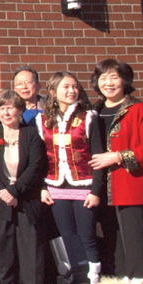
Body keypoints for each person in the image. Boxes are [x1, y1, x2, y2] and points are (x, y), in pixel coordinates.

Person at [36, 71, 104, 284]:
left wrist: (96, 192)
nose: (72, 91)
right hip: (56, 186)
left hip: (84, 185)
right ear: (54, 92)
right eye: (66, 87)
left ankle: (94, 278)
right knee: (67, 236)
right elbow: (39, 160)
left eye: (75, 87)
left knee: (87, 236)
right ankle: (75, 277)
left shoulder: (88, 117)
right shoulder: (43, 120)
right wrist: (42, 188)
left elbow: (98, 156)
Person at [0, 90, 47, 284]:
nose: (6, 112)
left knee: (31, 257)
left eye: (10, 107)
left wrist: (15, 191)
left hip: (27, 201)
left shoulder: (31, 134)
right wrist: (4, 192)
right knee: (2, 259)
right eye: (2, 108)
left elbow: (36, 166)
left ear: (20, 111)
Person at [87, 58, 143, 282]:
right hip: (99, 188)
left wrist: (118, 156)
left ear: (125, 80)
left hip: (129, 186)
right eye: (103, 77)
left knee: (134, 241)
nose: (108, 83)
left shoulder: (138, 109)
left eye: (114, 77)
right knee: (110, 242)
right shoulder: (93, 112)